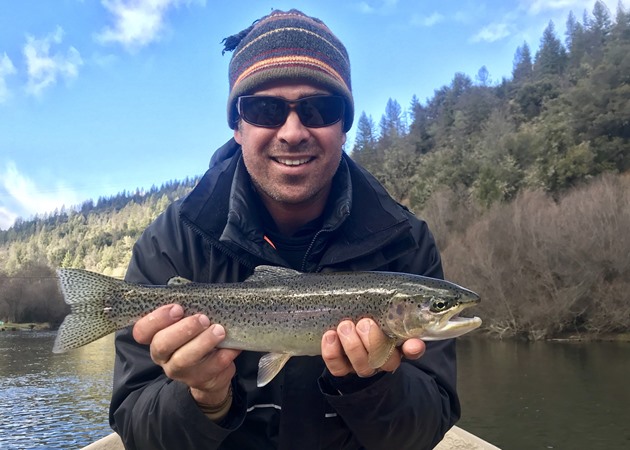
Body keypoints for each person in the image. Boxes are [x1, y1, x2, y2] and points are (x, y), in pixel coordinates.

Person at [109, 9, 460, 450]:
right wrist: (204, 398)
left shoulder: (405, 242)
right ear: (238, 126)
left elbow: (427, 428)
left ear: (344, 127)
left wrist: (371, 386)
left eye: (319, 108)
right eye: (265, 108)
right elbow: (135, 428)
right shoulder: (171, 242)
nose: (293, 132)